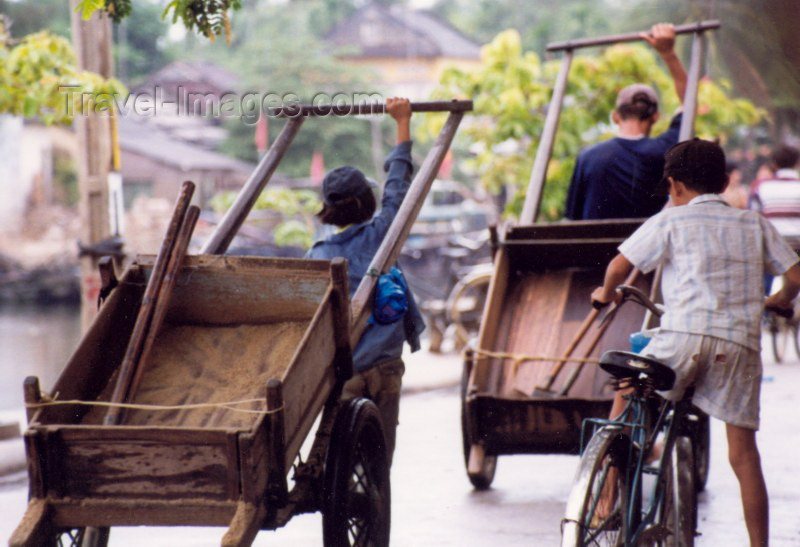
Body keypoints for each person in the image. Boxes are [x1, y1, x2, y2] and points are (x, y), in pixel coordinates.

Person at [591, 138, 800, 546]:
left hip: (681, 340)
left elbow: (619, 266)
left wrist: (606, 292)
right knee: (744, 457)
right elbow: (795, 276)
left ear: (673, 186)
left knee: (628, 383)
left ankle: (608, 490)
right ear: (724, 182)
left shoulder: (670, 220)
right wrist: (778, 301)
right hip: (737, 347)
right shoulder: (753, 223)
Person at [306, 97, 425, 466]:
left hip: (344, 373)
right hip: (385, 366)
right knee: (378, 458)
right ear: (365, 204)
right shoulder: (382, 235)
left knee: (340, 455)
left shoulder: (318, 256)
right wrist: (402, 124)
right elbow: (398, 186)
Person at [565, 23, 687, 220]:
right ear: (655, 117)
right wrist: (668, 54)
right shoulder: (666, 150)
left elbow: (573, 218)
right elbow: (689, 103)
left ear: (615, 116)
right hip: (647, 249)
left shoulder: (587, 158)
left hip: (596, 250)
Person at [749, 144, 800, 294]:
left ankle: (766, 301)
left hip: (772, 246)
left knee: (764, 273)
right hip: (798, 246)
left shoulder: (761, 186)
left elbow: (754, 217)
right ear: (797, 163)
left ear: (774, 164)